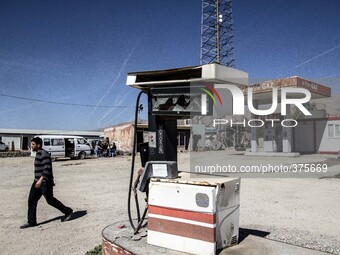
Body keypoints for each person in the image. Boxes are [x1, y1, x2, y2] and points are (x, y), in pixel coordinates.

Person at [20, 137, 73, 229]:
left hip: (45, 182)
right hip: (37, 181)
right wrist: (37, 181)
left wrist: (40, 181)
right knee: (32, 200)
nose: (31, 146)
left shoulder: (44, 154)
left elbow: (47, 169)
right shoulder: (38, 153)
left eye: (33, 144)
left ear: (38, 145)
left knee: (50, 200)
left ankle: (68, 211)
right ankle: (31, 222)